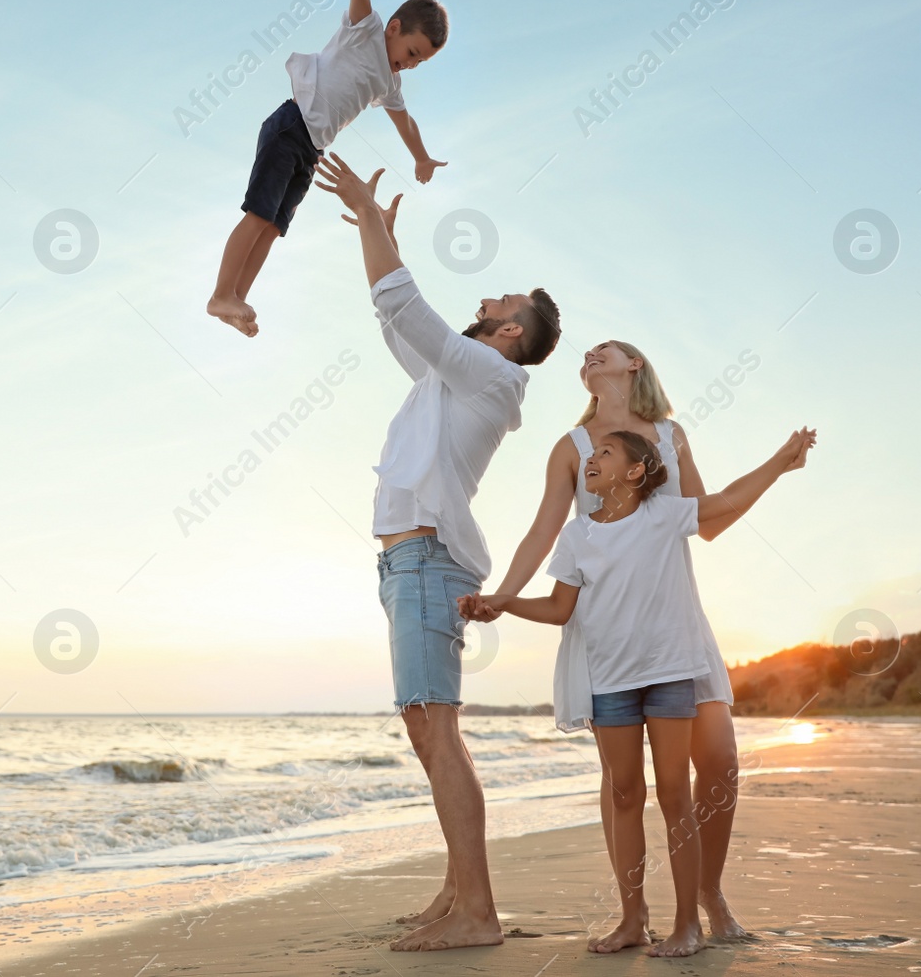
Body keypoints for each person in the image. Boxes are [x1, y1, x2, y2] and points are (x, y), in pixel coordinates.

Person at [313, 153, 560, 951]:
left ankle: (478, 913)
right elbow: (392, 315)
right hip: (407, 564)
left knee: (435, 730)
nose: (487, 297)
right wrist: (373, 230)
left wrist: (378, 221)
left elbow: (405, 301)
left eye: (501, 298)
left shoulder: (488, 374)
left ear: (510, 331)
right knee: (429, 729)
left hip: (427, 561)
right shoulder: (453, 378)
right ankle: (457, 891)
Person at [459, 427, 816, 957]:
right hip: (609, 683)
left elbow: (729, 500)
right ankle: (631, 920)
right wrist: (505, 603)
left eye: (606, 453)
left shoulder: (665, 515)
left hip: (670, 672)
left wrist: (779, 461)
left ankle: (687, 925)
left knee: (675, 794)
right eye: (591, 453)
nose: (591, 459)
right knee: (625, 793)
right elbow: (561, 610)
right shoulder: (578, 534)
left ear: (634, 472)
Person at [477, 340, 753, 938]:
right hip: (610, 633)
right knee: (623, 782)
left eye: (609, 348)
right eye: (587, 352)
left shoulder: (671, 436)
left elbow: (707, 520)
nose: (592, 352)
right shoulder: (573, 449)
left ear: (636, 365)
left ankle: (707, 892)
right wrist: (503, 594)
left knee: (720, 762)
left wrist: (771, 470)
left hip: (677, 625)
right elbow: (543, 531)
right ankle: (634, 913)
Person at [207, 0, 449, 337]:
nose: (411, 65)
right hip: (290, 126)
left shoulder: (389, 81)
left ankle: (236, 299)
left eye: (420, 62)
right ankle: (221, 292)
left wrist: (422, 157)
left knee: (273, 226)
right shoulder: (366, 32)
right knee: (257, 214)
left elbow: (404, 121)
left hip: (310, 151)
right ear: (394, 29)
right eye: (412, 52)